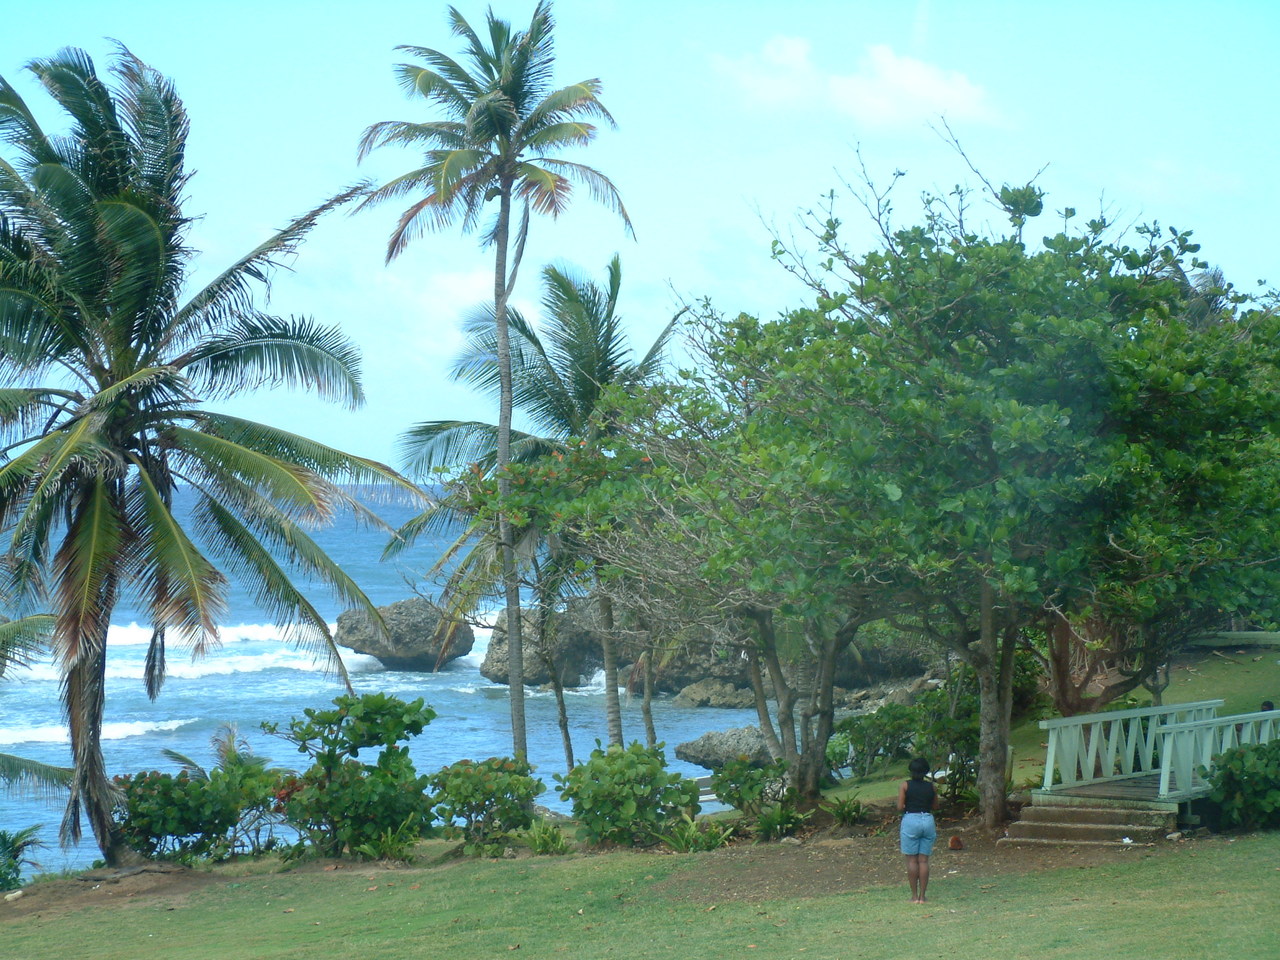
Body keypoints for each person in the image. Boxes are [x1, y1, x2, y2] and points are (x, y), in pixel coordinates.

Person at [897, 757, 940, 904]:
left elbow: (899, 807)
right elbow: (935, 806)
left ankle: (914, 896)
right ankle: (923, 896)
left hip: (911, 820)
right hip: (927, 820)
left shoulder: (905, 786)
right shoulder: (932, 787)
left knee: (911, 861)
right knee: (923, 861)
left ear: (911, 771)